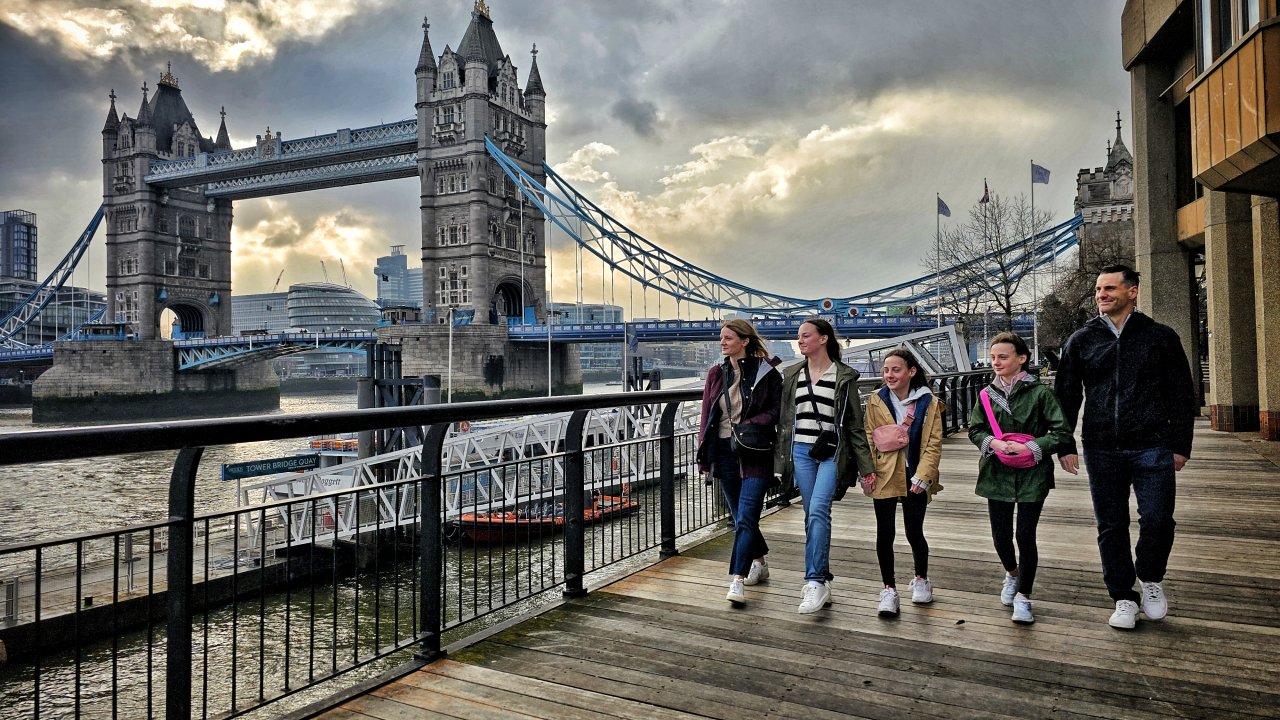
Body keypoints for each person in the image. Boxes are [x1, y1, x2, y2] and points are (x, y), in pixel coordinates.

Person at [1055, 265, 1197, 630]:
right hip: (1101, 446)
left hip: (1153, 444)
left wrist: (1180, 445)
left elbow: (1181, 395)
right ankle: (1122, 596)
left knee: (1158, 519)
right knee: (1110, 524)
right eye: (1099, 289)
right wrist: (1064, 442)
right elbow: (1066, 396)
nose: (1101, 294)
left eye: (1110, 288)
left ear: (1132, 292)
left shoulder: (1161, 337)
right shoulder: (1081, 340)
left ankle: (1150, 579)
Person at [968, 333, 1073, 624]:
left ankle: (1024, 596)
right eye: (993, 357)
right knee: (1000, 536)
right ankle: (1012, 574)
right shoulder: (987, 395)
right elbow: (975, 429)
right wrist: (994, 443)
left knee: (1025, 535)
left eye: (1003, 356)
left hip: (1033, 473)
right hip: (996, 472)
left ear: (1021, 358)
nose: (996, 362)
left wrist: (1031, 446)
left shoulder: (1040, 393)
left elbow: (1060, 432)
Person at [774, 318, 876, 614]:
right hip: (801, 452)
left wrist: (865, 467)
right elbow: (784, 422)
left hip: (833, 452)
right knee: (811, 514)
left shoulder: (844, 376)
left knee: (819, 508)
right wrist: (780, 462)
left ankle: (815, 581)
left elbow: (855, 426)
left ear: (823, 339)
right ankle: (823, 579)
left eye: (806, 336)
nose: (800, 341)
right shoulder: (792, 374)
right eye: (798, 336)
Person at [697, 319, 783, 605]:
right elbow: (706, 415)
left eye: (728, 337)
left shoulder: (766, 373)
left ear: (745, 341)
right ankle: (759, 561)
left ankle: (737, 580)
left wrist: (749, 424)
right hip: (723, 450)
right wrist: (703, 454)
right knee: (739, 517)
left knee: (746, 517)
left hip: (755, 451)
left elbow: (776, 410)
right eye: (721, 338)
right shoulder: (715, 374)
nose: (722, 342)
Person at [863, 348, 945, 617]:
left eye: (896, 370)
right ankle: (889, 589)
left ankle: (921, 579)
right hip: (884, 472)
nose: (889, 375)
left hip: (915, 474)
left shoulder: (928, 402)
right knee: (884, 533)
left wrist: (925, 475)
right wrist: (867, 470)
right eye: (886, 370)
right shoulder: (876, 399)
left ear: (911, 371)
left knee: (914, 531)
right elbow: (867, 435)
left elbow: (933, 443)